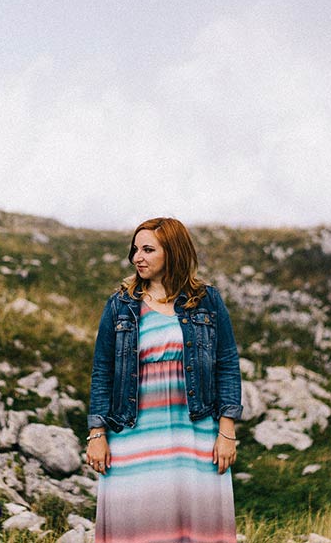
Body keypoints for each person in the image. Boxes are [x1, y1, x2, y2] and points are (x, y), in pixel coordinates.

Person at [87, 217, 243, 543]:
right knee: (138, 528)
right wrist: (96, 434)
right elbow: (103, 370)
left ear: (172, 252)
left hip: (196, 434)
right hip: (132, 435)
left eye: (147, 249)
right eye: (135, 250)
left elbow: (227, 364)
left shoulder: (207, 300)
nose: (136, 258)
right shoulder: (120, 306)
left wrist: (227, 432)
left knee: (197, 526)